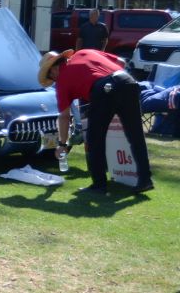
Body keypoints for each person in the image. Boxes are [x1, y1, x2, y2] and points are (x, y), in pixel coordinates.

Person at [38, 48, 153, 194]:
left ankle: (99, 185)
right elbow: (121, 62)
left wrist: (62, 144)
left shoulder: (62, 81)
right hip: (128, 81)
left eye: (51, 76)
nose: (53, 80)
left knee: (94, 139)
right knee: (135, 135)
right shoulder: (84, 52)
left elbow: (64, 116)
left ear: (54, 69)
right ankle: (145, 180)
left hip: (103, 89)